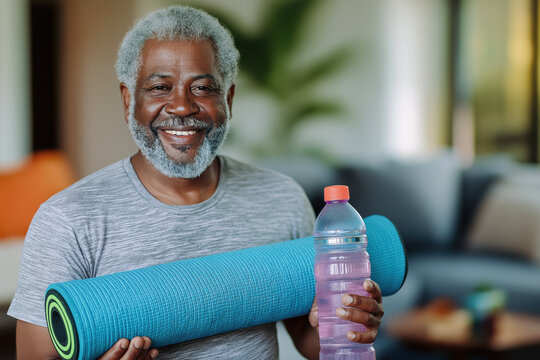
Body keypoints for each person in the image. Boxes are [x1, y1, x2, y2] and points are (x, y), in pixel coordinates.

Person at [8, 6, 384, 360]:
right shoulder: (67, 218)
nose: (183, 107)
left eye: (203, 88)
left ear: (229, 99)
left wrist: (347, 327)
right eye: (159, 87)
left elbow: (307, 337)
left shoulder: (281, 197)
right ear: (127, 101)